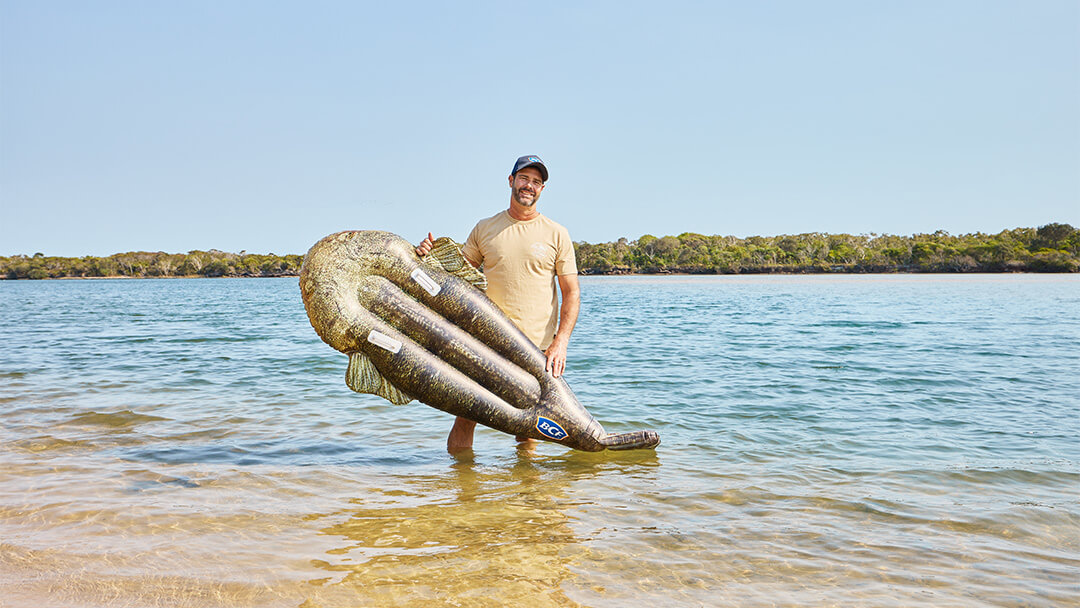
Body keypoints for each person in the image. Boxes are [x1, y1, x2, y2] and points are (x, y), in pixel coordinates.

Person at [415, 155, 581, 452]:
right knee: (467, 413)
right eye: (523, 178)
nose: (529, 185)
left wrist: (561, 342)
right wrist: (426, 256)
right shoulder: (485, 228)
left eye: (536, 181)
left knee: (530, 425)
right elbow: (455, 276)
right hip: (486, 341)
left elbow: (571, 292)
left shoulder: (557, 233)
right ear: (511, 181)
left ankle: (525, 489)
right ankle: (462, 487)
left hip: (537, 348)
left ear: (542, 189)